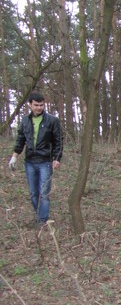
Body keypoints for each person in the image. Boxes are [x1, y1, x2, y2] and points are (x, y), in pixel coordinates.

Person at [8, 92, 63, 225]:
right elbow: (20, 139)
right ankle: (39, 215)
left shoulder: (52, 120)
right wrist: (15, 156)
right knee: (33, 193)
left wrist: (57, 158)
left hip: (45, 161)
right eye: (36, 105)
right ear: (30, 105)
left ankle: (42, 221)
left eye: (41, 105)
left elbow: (58, 141)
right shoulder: (25, 121)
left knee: (44, 192)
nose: (39, 108)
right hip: (30, 162)